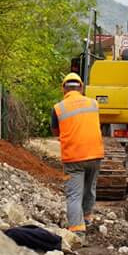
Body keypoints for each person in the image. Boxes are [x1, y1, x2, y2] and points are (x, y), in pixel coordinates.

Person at [51, 73, 104, 235]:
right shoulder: (94, 104)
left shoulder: (59, 108)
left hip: (73, 158)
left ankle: (77, 229)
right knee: (89, 189)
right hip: (95, 155)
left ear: (63, 89)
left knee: (74, 194)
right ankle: (87, 218)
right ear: (81, 87)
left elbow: (55, 131)